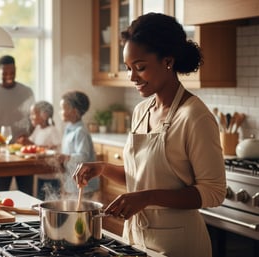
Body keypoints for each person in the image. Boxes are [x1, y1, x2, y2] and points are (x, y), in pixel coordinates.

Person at [73, 13, 226, 257]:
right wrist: (102, 168)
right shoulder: (141, 111)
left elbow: (214, 192)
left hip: (178, 245)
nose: (132, 77)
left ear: (168, 61)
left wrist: (148, 198)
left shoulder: (195, 117)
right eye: (128, 68)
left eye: (140, 68)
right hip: (135, 239)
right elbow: (142, 179)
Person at [0, 55, 35, 195]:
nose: (9, 76)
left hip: (24, 153)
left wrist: (29, 134)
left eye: (12, 72)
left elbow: (34, 119)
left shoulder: (27, 92)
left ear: (16, 70)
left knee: (27, 193)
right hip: (1, 153)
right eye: (5, 73)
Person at [58, 91, 100, 200]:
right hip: (73, 181)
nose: (60, 112)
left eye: (63, 109)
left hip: (85, 183)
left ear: (75, 111)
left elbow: (83, 157)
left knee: (83, 212)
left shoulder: (80, 131)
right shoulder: (69, 128)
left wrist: (66, 157)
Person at [17, 101, 62, 200]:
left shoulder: (52, 130)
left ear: (44, 115)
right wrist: (24, 142)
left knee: (52, 203)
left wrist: (30, 144)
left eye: (33, 114)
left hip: (51, 175)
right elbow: (32, 147)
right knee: (40, 202)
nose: (31, 117)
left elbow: (56, 149)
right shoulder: (38, 129)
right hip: (40, 175)